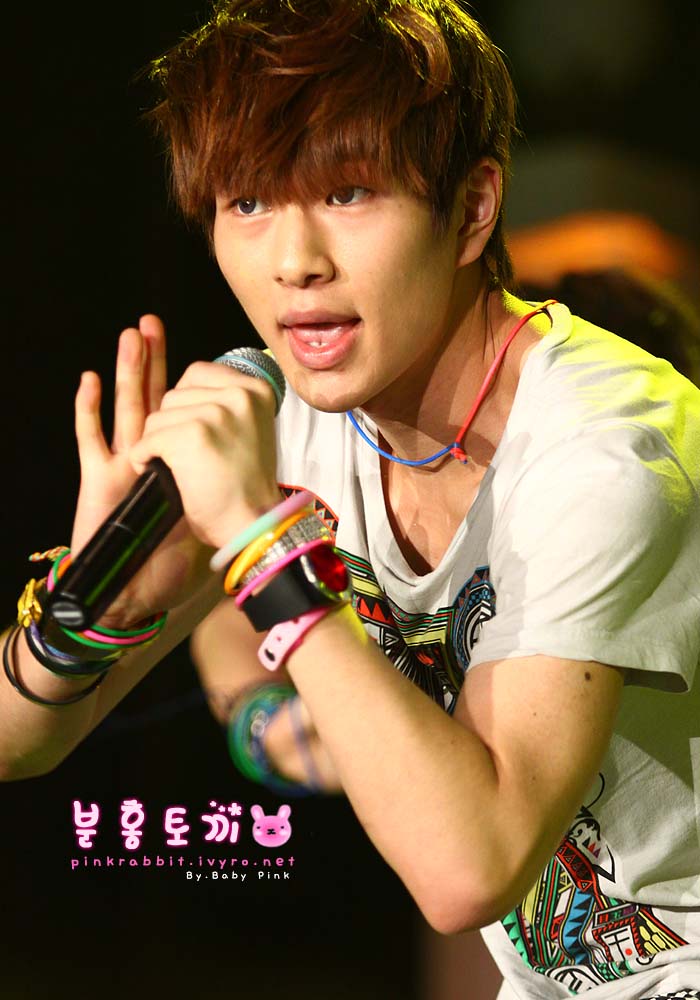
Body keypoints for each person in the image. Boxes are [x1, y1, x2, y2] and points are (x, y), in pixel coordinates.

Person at [2, 2, 699, 997]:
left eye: (349, 192)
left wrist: (260, 541)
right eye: (248, 202)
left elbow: (469, 871)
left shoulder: (605, 449)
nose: (294, 261)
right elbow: (17, 741)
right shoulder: (294, 419)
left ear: (473, 208)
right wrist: (94, 604)